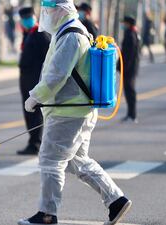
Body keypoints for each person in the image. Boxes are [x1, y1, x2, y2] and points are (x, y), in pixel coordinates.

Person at [19, 1, 132, 224]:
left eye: (49, 10)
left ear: (60, 9)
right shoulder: (70, 31)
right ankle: (116, 200)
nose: (47, 14)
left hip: (69, 113)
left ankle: (47, 215)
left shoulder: (71, 35)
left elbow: (57, 75)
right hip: (75, 110)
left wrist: (35, 97)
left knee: (50, 160)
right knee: (77, 161)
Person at [17, 7, 51, 155]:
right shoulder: (28, 34)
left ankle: (36, 143)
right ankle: (32, 141)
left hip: (35, 79)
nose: (25, 21)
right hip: (26, 78)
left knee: (35, 113)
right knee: (28, 112)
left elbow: (49, 58)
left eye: (28, 18)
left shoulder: (40, 34)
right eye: (23, 19)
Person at [120, 16, 141, 123]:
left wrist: (123, 67)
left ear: (128, 23)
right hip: (131, 68)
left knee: (130, 91)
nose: (123, 25)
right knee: (128, 91)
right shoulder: (133, 33)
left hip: (129, 69)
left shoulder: (130, 35)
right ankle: (130, 114)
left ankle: (132, 115)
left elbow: (129, 55)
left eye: (124, 23)